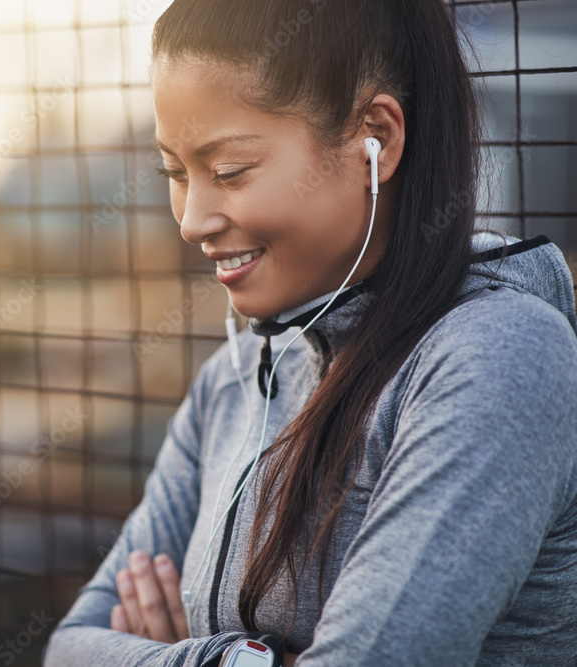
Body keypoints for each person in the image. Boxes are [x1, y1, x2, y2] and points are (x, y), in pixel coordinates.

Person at [42, 0, 577, 665]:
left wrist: (172, 653)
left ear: (373, 139)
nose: (191, 220)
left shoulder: (498, 356)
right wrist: (230, 659)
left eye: (229, 170)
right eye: (175, 174)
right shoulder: (229, 384)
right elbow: (69, 647)